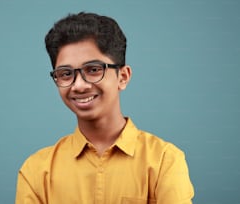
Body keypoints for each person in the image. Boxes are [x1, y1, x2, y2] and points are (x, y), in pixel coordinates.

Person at [15, 12, 194, 204]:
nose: (79, 85)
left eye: (93, 70)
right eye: (66, 74)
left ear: (123, 77)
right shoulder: (36, 171)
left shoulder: (164, 161)